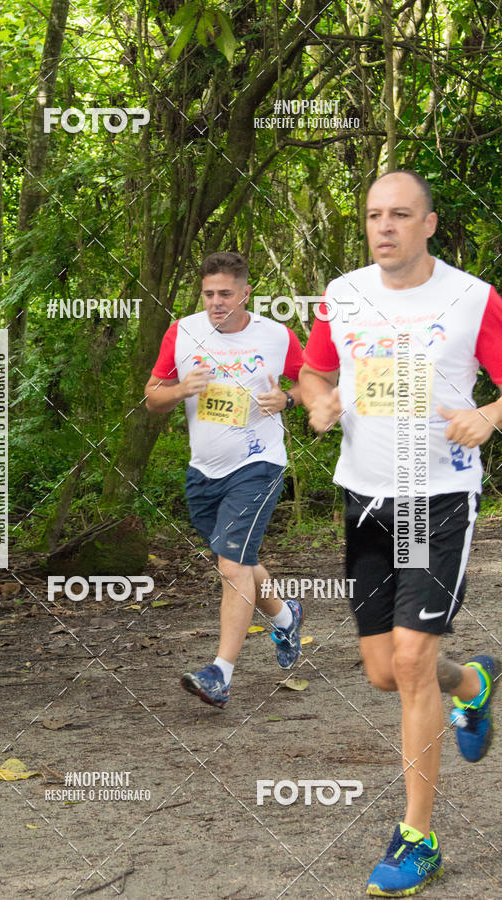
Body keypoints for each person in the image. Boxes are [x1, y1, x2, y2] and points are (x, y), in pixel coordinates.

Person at [299, 171, 502, 897]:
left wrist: (491, 415)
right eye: (374, 216)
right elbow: (314, 371)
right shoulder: (344, 292)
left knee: (413, 661)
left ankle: (418, 838)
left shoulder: (472, 298)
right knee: (387, 671)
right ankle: (473, 683)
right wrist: (319, 400)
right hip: (365, 497)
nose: (384, 227)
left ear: (430, 224)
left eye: (400, 215)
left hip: (438, 497)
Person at [145, 251, 305, 708]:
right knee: (236, 557)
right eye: (209, 294)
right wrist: (180, 390)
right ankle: (284, 615)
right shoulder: (183, 332)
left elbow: (318, 381)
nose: (216, 302)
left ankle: (220, 673)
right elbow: (153, 398)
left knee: (231, 565)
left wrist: (287, 399)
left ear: (245, 292)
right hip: (204, 472)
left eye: (226, 294)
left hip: (259, 464)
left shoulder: (276, 336)